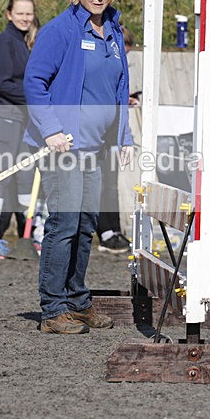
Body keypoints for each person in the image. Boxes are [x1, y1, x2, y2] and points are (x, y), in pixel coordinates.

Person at [24, 0, 133, 334]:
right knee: (64, 224)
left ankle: (77, 300)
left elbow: (119, 89)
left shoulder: (115, 32)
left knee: (86, 225)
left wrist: (124, 137)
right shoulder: (60, 30)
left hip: (97, 149)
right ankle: (53, 310)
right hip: (64, 147)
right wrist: (51, 129)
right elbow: (34, 81)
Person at [0, 0, 40, 259]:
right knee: (1, 178)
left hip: (23, 120)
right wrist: (37, 98)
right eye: (20, 13)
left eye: (29, 14)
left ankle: (34, 235)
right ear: (9, 14)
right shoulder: (4, 42)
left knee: (26, 176)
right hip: (5, 120)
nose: (25, 18)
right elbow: (3, 83)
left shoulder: (22, 42)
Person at [96, 24, 136, 254]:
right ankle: (105, 232)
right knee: (101, 184)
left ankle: (115, 229)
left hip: (112, 133)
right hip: (98, 135)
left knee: (111, 184)